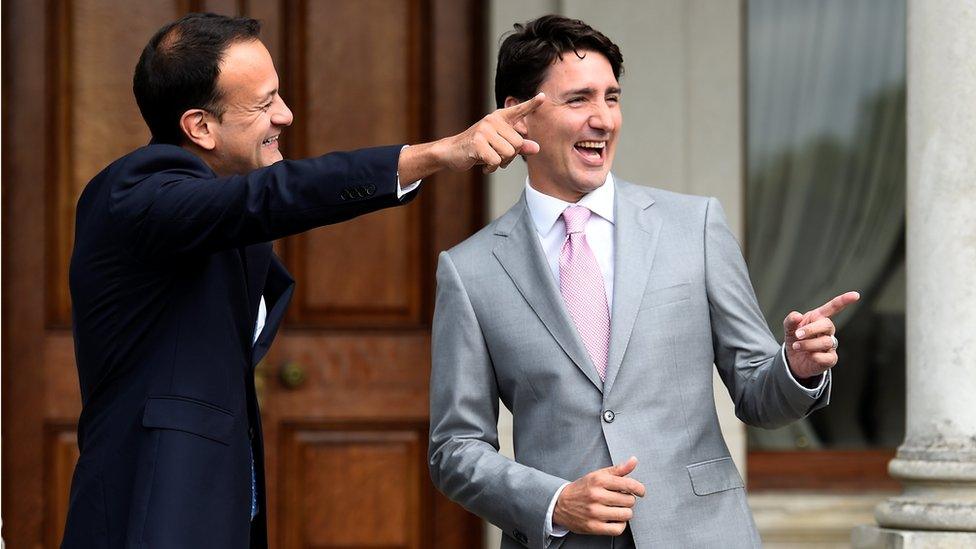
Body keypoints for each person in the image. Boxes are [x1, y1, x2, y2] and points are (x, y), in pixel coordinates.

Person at [62, 12, 544, 548]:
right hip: (149, 513)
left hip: (214, 506)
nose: (286, 116)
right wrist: (437, 155)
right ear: (199, 126)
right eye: (265, 104)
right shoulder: (137, 192)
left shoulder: (217, 210)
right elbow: (272, 197)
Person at [427, 14, 859, 549]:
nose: (604, 119)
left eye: (612, 98)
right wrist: (554, 502)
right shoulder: (470, 271)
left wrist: (794, 367)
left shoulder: (695, 226)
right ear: (518, 117)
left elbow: (756, 393)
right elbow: (455, 449)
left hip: (703, 534)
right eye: (579, 100)